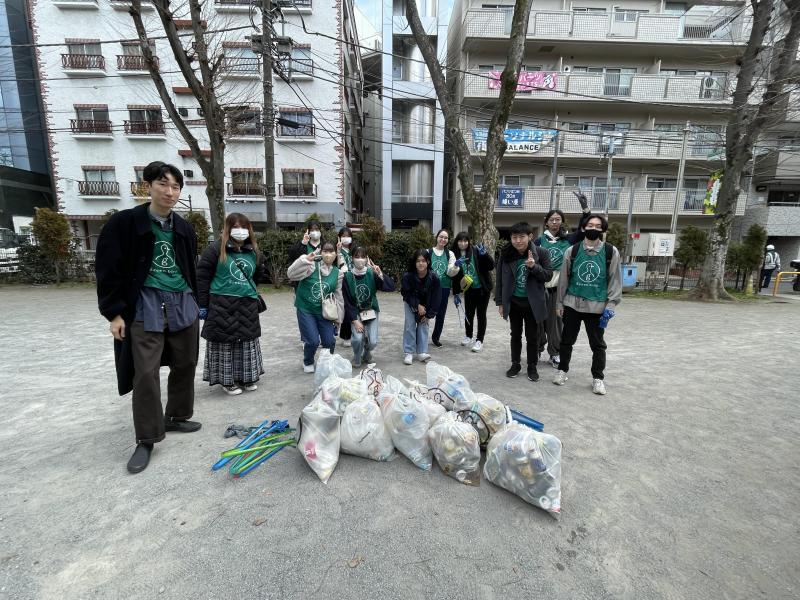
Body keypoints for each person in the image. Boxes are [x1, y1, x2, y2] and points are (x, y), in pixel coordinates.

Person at [95, 161, 200, 474]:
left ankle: (177, 416)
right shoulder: (124, 224)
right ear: (148, 185)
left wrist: (196, 301)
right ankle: (147, 437)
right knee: (145, 373)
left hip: (182, 303)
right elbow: (107, 269)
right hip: (145, 305)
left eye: (175, 187)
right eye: (163, 184)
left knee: (186, 363)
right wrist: (114, 313)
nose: (170, 192)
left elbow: (190, 269)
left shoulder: (184, 227)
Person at [196, 213, 266, 396]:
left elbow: (258, 275)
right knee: (224, 342)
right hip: (221, 303)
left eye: (244, 227)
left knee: (247, 341)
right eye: (236, 227)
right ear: (228, 228)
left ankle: (247, 376)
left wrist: (245, 289)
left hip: (247, 303)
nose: (240, 231)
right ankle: (227, 381)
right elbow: (202, 277)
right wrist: (203, 304)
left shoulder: (254, 251)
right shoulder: (215, 249)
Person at [554, 214, 622, 395]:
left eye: (598, 226)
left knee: (598, 344)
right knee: (567, 340)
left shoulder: (610, 251)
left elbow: (615, 280)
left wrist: (611, 306)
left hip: (598, 307)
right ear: (583, 228)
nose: (593, 228)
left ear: (602, 229)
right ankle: (562, 370)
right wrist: (560, 303)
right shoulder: (572, 251)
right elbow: (564, 280)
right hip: (572, 304)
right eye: (590, 225)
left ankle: (598, 378)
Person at [533, 207, 591, 369]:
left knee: (556, 324)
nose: (555, 222)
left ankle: (554, 353)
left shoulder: (568, 240)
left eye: (558, 219)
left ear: (562, 221)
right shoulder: (538, 241)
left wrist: (586, 212)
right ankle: (537, 349)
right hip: (541, 289)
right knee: (538, 322)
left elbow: (583, 231)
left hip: (558, 290)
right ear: (546, 222)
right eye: (552, 219)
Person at [495, 222, 553, 382]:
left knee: (532, 336)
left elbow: (548, 275)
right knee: (515, 335)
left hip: (532, 303)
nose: (518, 241)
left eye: (522, 237)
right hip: (514, 302)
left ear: (530, 236)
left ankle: (532, 366)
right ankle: (515, 364)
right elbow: (499, 279)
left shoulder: (541, 253)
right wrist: (500, 302)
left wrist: (534, 267)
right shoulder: (506, 253)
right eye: (514, 237)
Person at [287, 241, 344, 373]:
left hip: (325, 312)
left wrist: (339, 318)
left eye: (331, 251)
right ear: (320, 252)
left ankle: (327, 362)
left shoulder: (338, 273)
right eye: (325, 251)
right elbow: (291, 274)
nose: (328, 254)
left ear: (336, 254)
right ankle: (308, 361)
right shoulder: (311, 266)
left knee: (329, 341)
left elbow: (339, 297)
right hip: (306, 308)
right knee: (312, 341)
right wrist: (304, 260)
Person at [342, 246, 395, 367]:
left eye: (363, 257)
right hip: (355, 312)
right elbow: (347, 301)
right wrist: (355, 320)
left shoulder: (372, 273)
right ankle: (357, 355)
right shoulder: (348, 277)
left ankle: (367, 352)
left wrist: (380, 273)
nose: (360, 259)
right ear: (352, 258)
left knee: (373, 341)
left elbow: (390, 287)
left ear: (367, 259)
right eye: (357, 256)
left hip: (371, 309)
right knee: (357, 338)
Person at [450, 232, 495, 352]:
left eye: (465, 241)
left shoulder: (476, 250)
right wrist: (456, 293)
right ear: (457, 242)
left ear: (469, 242)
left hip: (482, 289)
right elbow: (455, 277)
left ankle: (479, 340)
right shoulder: (454, 254)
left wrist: (485, 255)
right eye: (460, 241)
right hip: (469, 289)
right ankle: (468, 336)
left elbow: (491, 266)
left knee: (481, 314)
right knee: (468, 314)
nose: (463, 243)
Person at [401, 249, 442, 365]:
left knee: (423, 324)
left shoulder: (434, 278)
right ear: (414, 262)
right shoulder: (408, 276)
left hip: (427, 305)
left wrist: (429, 314)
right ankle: (409, 352)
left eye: (423, 261)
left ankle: (422, 352)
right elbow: (405, 293)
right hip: (410, 303)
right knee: (409, 325)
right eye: (418, 261)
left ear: (428, 262)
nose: (421, 263)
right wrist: (416, 305)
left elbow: (437, 298)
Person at [427, 229, 460, 347]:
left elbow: (450, 272)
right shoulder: (428, 252)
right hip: (429, 288)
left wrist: (455, 266)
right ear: (437, 237)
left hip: (444, 287)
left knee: (441, 314)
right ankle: (421, 336)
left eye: (446, 238)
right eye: (441, 237)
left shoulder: (450, 254)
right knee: (426, 312)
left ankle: (436, 337)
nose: (443, 239)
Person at [337, 226, 355, 347]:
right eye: (343, 236)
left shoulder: (355, 251)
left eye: (348, 236)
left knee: (355, 307)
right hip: (343, 282)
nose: (346, 238)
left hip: (355, 281)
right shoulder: (337, 250)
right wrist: (337, 252)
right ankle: (346, 336)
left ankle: (357, 333)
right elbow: (339, 265)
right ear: (339, 238)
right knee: (346, 308)